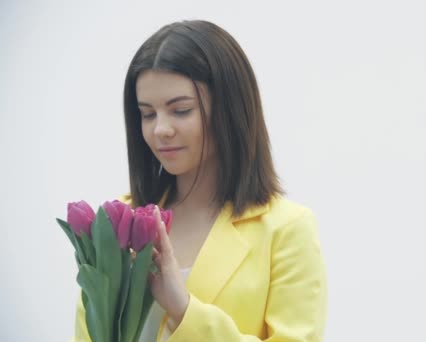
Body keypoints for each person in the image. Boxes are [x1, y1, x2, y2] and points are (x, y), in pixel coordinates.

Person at [72, 20, 327, 341]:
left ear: (230, 110)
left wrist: (184, 308)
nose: (160, 129)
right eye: (148, 114)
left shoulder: (286, 229)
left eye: (180, 110)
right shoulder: (117, 223)